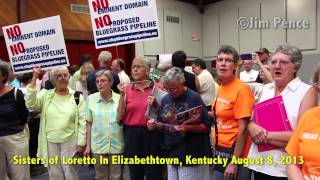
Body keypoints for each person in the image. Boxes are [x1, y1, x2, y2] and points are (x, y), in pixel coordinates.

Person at [247, 45, 318, 179]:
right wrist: (252, 127)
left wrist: (262, 136)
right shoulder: (266, 89)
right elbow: (252, 121)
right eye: (273, 62)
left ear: (295, 67)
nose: (277, 66)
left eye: (283, 62)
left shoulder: (307, 92)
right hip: (259, 164)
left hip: (283, 170)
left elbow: (302, 138)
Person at [147, 67, 212, 180]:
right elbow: (162, 124)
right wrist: (154, 125)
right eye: (167, 89)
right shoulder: (166, 99)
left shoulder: (194, 98)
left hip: (191, 154)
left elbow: (206, 126)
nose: (170, 92)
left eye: (174, 89)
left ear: (182, 83)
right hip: (171, 152)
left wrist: (187, 127)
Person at [25, 66, 87, 180]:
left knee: (71, 174)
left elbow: (83, 121)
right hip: (50, 142)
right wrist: (34, 77)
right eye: (59, 75)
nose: (62, 78)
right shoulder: (46, 94)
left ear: (69, 77)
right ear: (54, 79)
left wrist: (81, 143)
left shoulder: (77, 96)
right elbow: (31, 104)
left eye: (65, 75)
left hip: (71, 142)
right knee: (55, 175)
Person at [212, 45, 255, 180]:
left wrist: (234, 163)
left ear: (235, 65)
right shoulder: (221, 87)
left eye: (228, 60)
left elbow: (243, 130)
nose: (223, 63)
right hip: (220, 150)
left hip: (236, 155)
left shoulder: (242, 90)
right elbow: (222, 114)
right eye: (220, 59)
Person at [117, 57, 163, 180]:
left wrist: (156, 105)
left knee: (154, 172)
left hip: (153, 134)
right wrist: (121, 95)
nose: (135, 69)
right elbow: (119, 116)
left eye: (139, 66)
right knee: (135, 173)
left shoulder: (158, 88)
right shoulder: (126, 89)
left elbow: (167, 115)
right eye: (133, 67)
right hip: (132, 135)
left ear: (148, 71)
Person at [84, 70, 124, 180]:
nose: (99, 84)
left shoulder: (120, 98)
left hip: (116, 145)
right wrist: (88, 146)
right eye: (97, 81)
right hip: (98, 146)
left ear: (111, 82)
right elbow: (88, 124)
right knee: (101, 177)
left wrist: (123, 94)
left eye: (103, 81)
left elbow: (121, 119)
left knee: (117, 177)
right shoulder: (90, 99)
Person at [0, 60, 30, 180]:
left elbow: (24, 116)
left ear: (3, 76)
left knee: (20, 174)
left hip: (16, 138)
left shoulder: (16, 93)